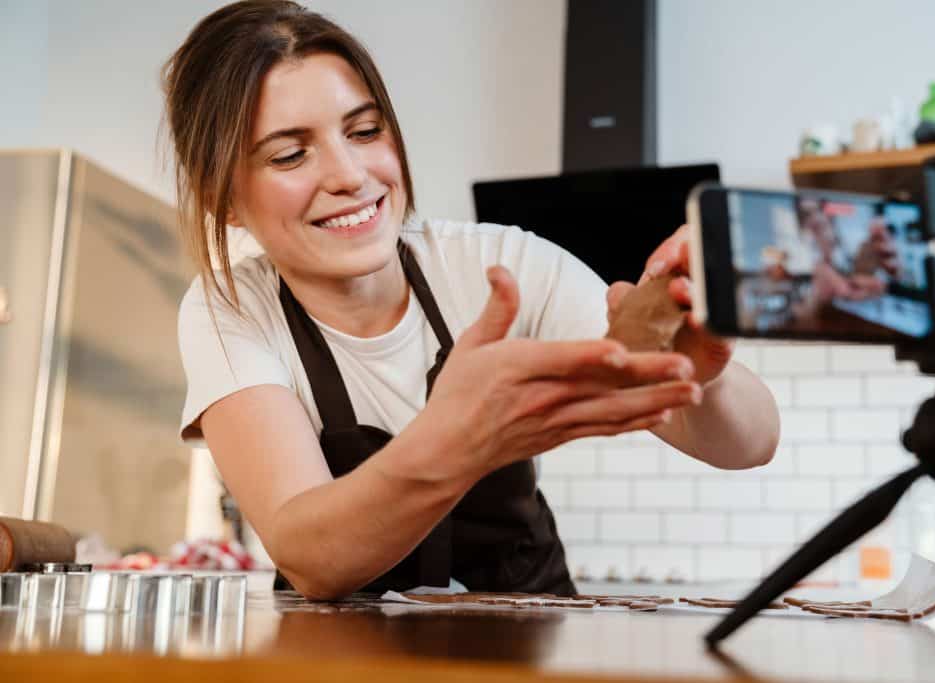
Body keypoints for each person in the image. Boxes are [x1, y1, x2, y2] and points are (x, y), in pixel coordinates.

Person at [165, 0, 780, 599]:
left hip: (529, 652)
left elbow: (750, 443)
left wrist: (702, 378)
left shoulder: (503, 265)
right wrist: (459, 438)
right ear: (222, 196)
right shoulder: (231, 311)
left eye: (365, 130)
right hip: (345, 663)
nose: (350, 174)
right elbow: (311, 557)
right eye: (290, 154)